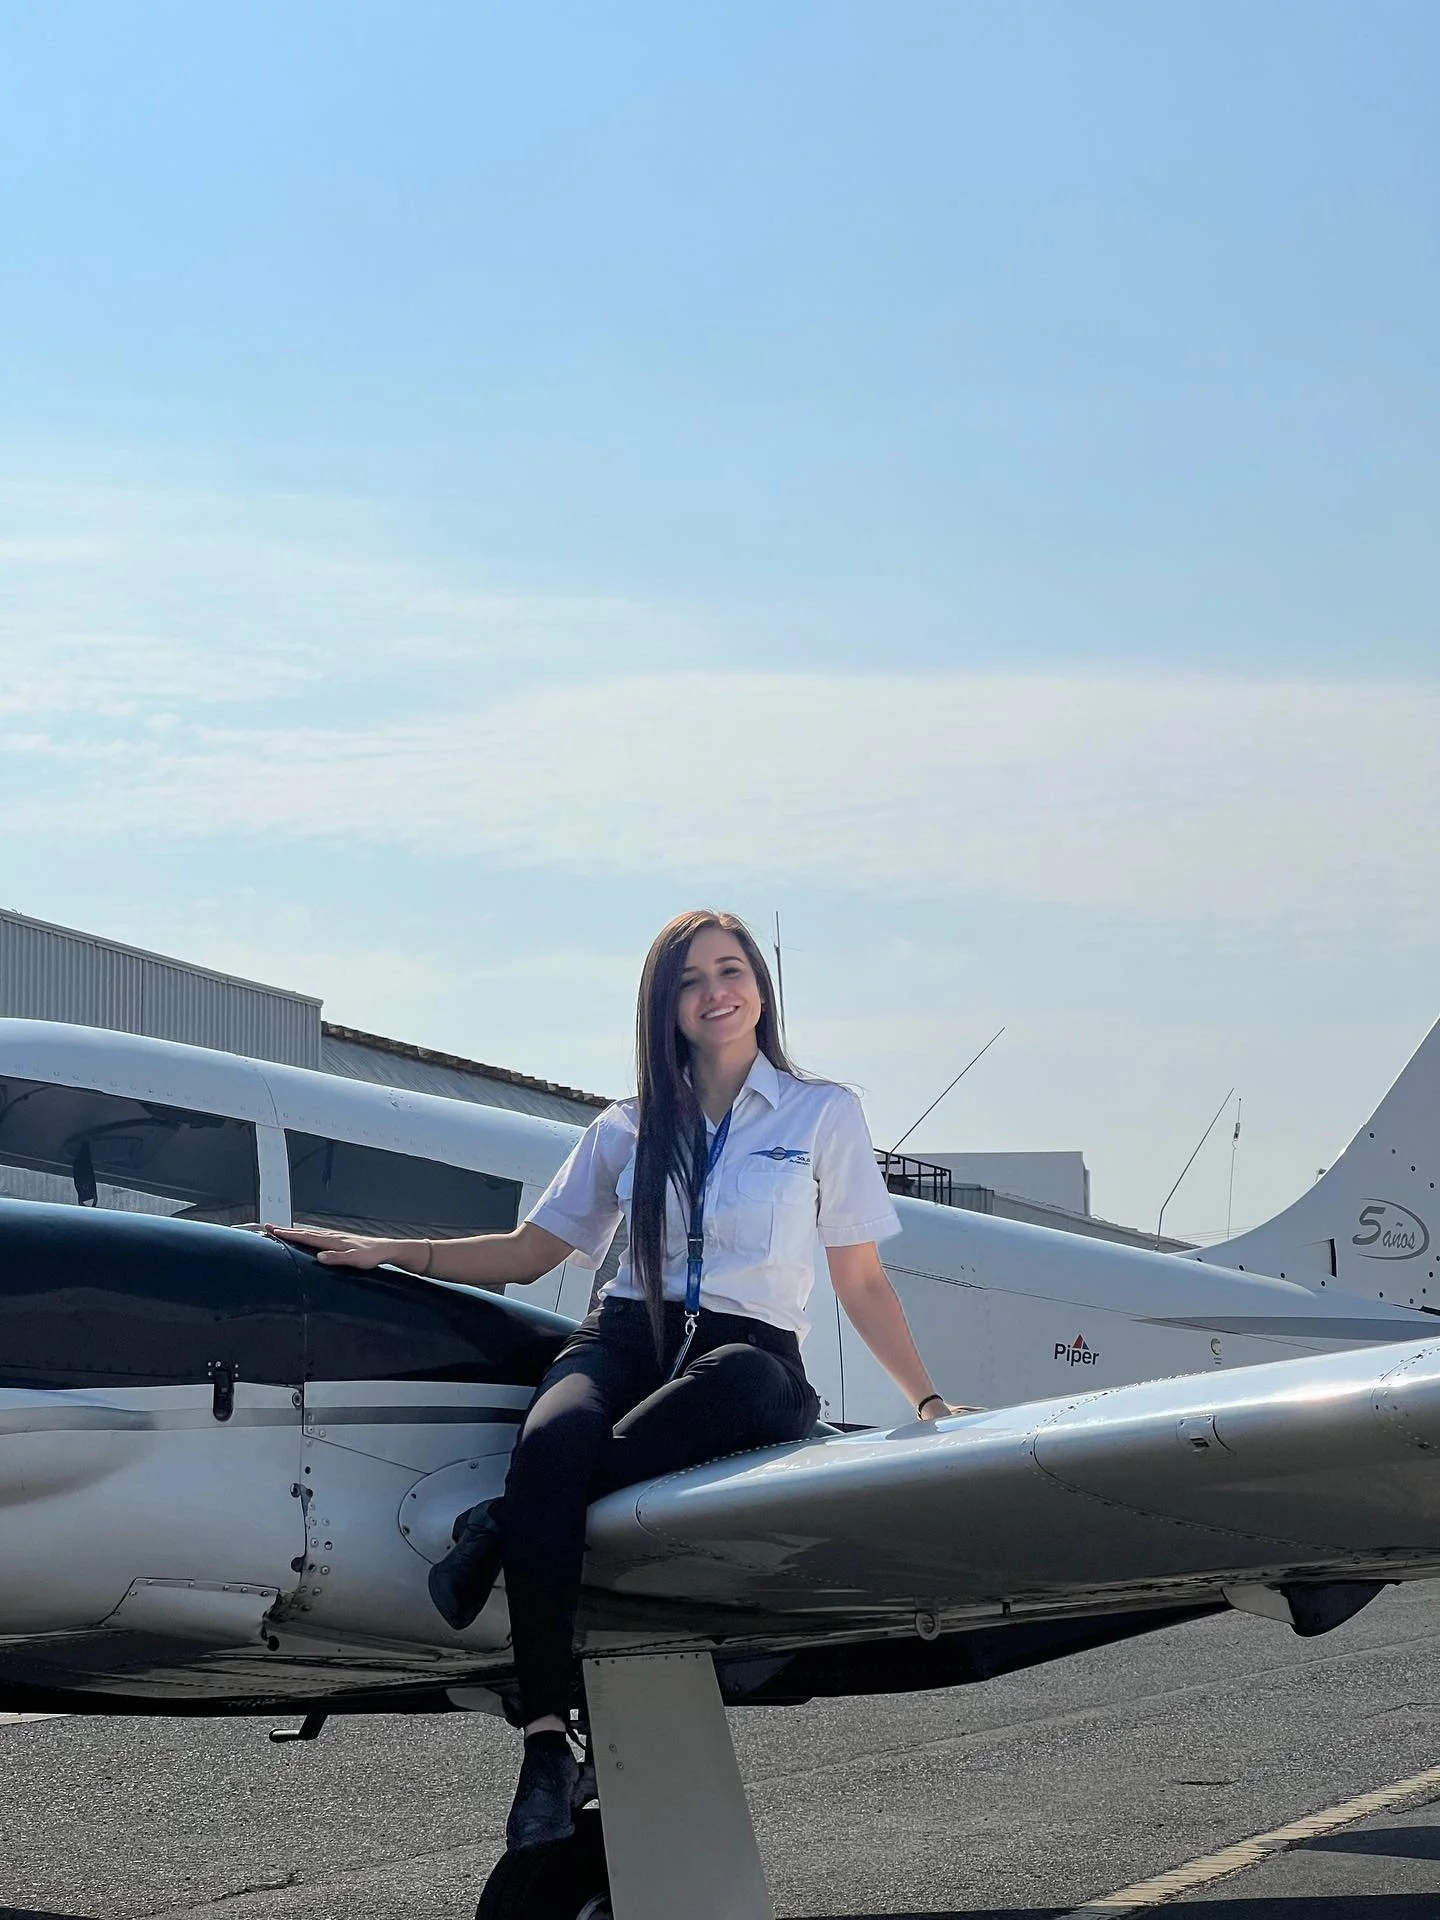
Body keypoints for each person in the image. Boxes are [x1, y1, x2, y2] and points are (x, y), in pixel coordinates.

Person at [267, 908, 960, 1852]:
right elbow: (530, 1252)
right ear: (664, 1004)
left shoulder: (822, 1113)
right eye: (690, 979)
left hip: (749, 1353)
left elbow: (861, 1279)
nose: (715, 993)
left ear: (759, 984)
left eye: (730, 971)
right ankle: (547, 1743)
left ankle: (502, 1530)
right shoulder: (626, 1126)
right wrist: (389, 1249)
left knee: (575, 1475)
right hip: (627, 1331)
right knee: (553, 1445)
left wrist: (925, 1400)